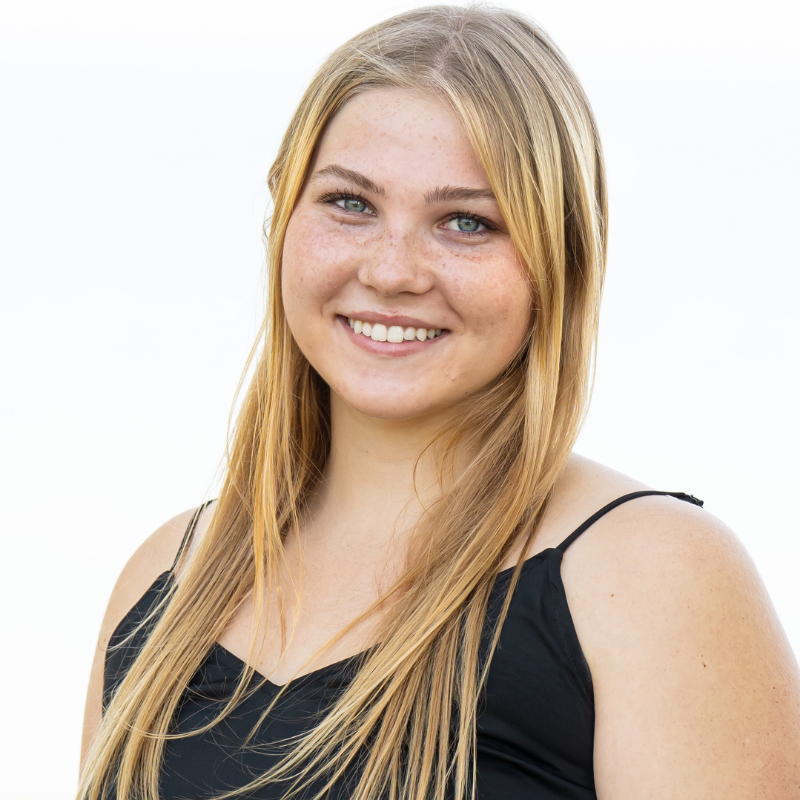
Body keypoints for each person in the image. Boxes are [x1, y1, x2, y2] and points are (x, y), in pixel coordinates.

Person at [77, 5, 800, 799]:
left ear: (556, 260)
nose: (392, 271)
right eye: (350, 204)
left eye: (465, 222)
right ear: (282, 221)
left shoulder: (650, 576)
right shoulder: (167, 579)